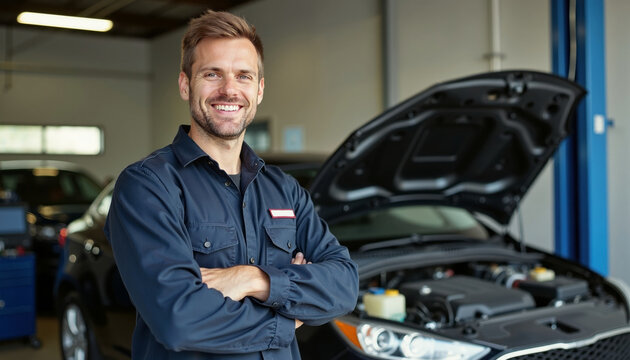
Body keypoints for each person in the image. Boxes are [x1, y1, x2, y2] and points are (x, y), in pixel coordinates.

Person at [105, 9, 359, 360]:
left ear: (259, 90)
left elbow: (344, 284)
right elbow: (179, 320)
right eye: (212, 74)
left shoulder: (283, 189)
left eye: (243, 76)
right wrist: (289, 318)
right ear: (184, 84)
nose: (229, 89)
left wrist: (254, 279)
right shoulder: (148, 186)